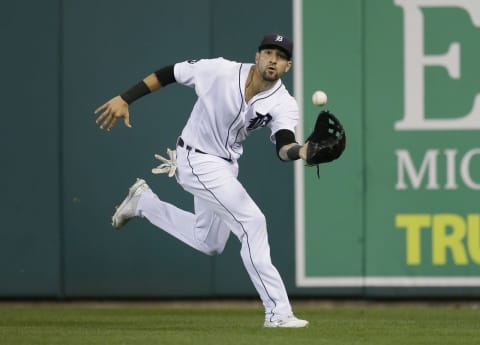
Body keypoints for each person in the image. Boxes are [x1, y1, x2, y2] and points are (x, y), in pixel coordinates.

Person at [95, 33, 310, 328]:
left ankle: (143, 203)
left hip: (225, 166)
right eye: (269, 52)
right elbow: (170, 73)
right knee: (252, 222)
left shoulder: (284, 103)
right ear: (257, 56)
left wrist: (303, 151)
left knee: (208, 241)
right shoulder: (219, 70)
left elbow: (284, 146)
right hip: (194, 157)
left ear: (288, 66)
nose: (274, 59)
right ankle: (278, 312)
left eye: (281, 56)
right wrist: (125, 98)